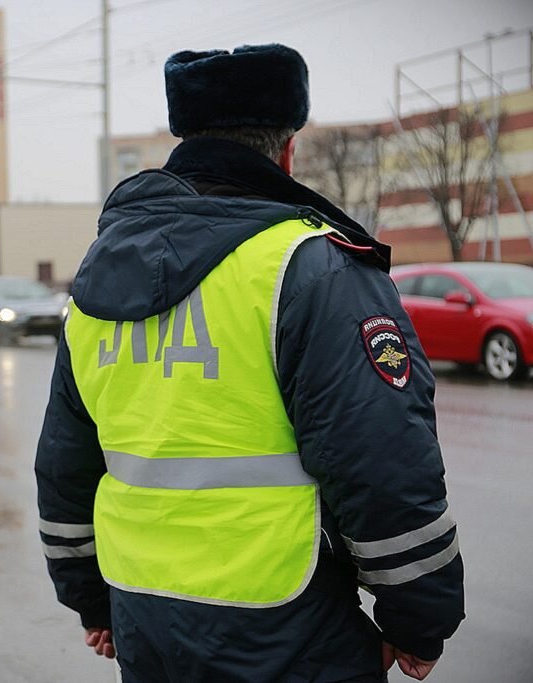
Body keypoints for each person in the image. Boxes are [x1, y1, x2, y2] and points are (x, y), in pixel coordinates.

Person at [34, 44, 464, 683]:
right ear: (289, 150)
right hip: (287, 625)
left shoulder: (98, 279)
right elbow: (381, 461)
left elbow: (65, 466)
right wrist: (419, 622)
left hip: (143, 617)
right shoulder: (307, 266)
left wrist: (92, 600)